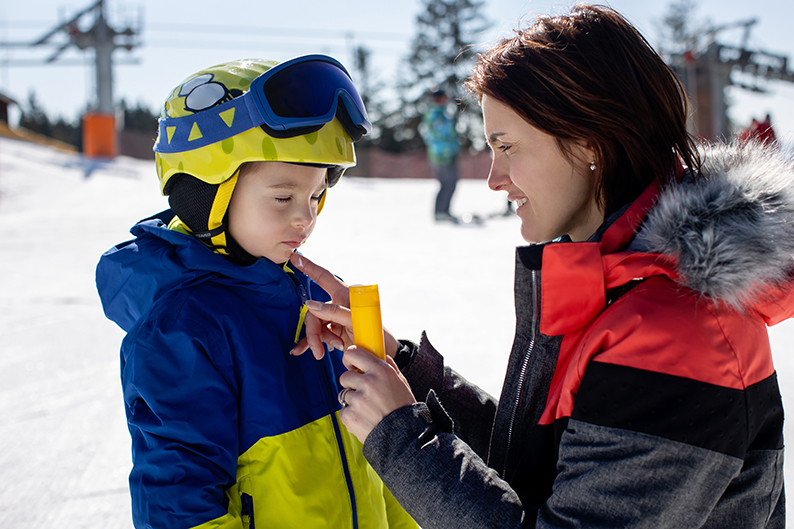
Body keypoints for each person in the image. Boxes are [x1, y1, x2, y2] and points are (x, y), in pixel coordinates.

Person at [289, 6, 793, 529]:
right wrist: (407, 367)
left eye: (506, 147)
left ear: (588, 139)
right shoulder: (618, 290)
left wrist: (400, 434)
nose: (493, 178)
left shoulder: (679, 333)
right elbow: (536, 462)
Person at [96, 56, 417, 529]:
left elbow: (375, 464)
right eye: (283, 197)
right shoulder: (186, 329)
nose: (305, 219)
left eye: (314, 197)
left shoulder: (309, 300)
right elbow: (179, 502)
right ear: (207, 193)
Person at [421, 89, 461, 223]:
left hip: (445, 154)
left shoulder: (440, 113)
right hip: (443, 155)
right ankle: (440, 213)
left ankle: (444, 211)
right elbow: (443, 133)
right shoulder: (436, 114)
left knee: (449, 184)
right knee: (447, 184)